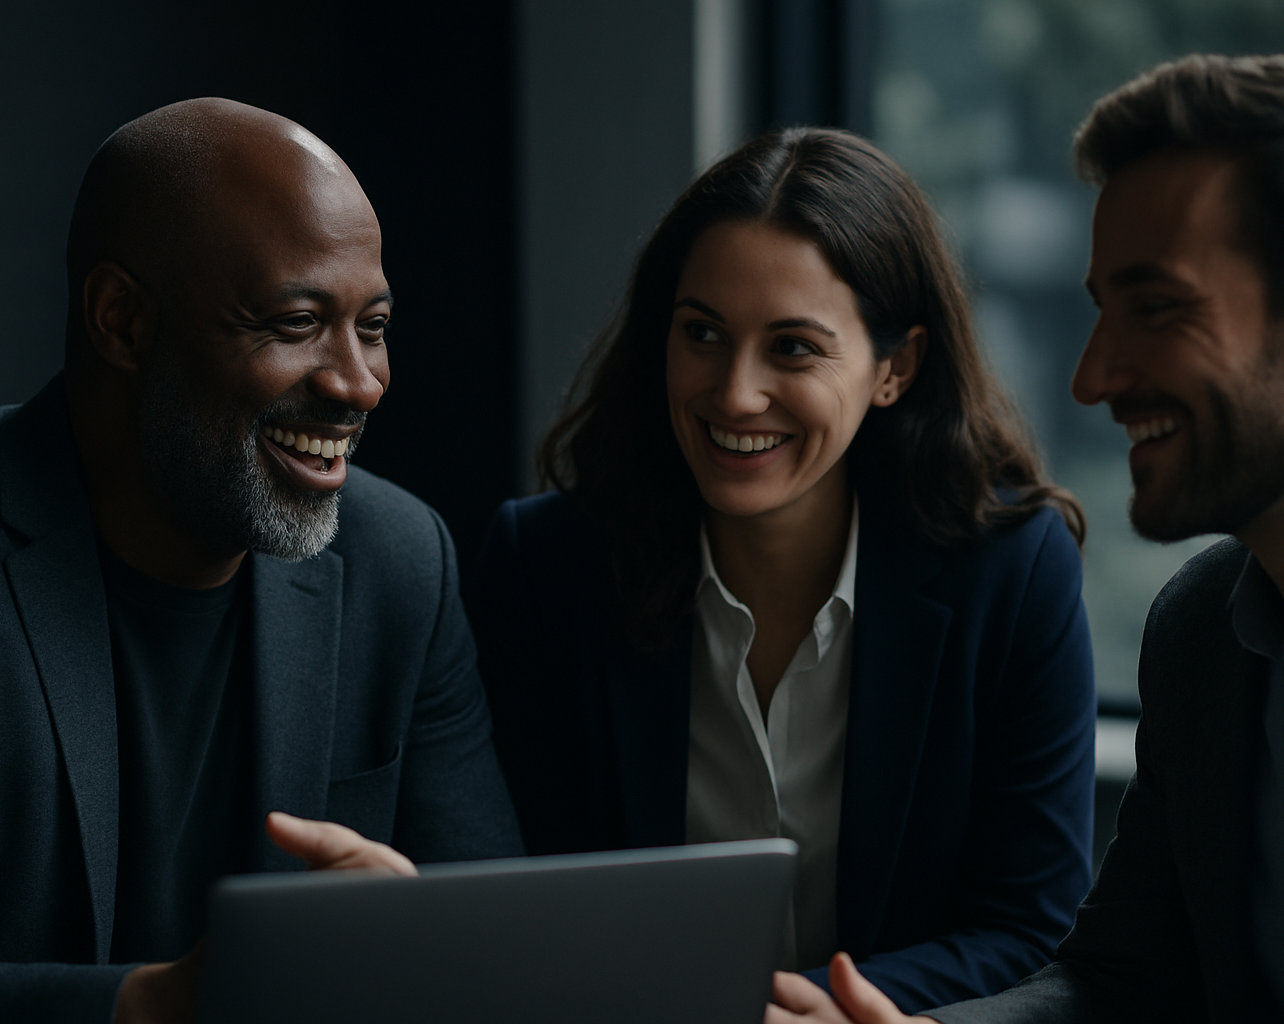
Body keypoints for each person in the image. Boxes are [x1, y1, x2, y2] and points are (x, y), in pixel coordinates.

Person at [767, 53, 1284, 1024]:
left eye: (1156, 307)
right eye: (1100, 312)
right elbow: (1121, 982)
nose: (1093, 375)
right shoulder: (1200, 631)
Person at [0, 98, 522, 1024]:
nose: (359, 382)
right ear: (123, 321)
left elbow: (500, 951)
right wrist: (163, 1006)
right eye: (296, 320)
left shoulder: (400, 564)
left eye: (375, 325)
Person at [469, 127, 1097, 1015]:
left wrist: (792, 1010)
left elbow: (1032, 928)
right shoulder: (547, 569)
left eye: (794, 347)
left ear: (895, 368)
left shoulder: (1013, 572)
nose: (734, 393)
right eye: (703, 334)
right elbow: (512, 898)